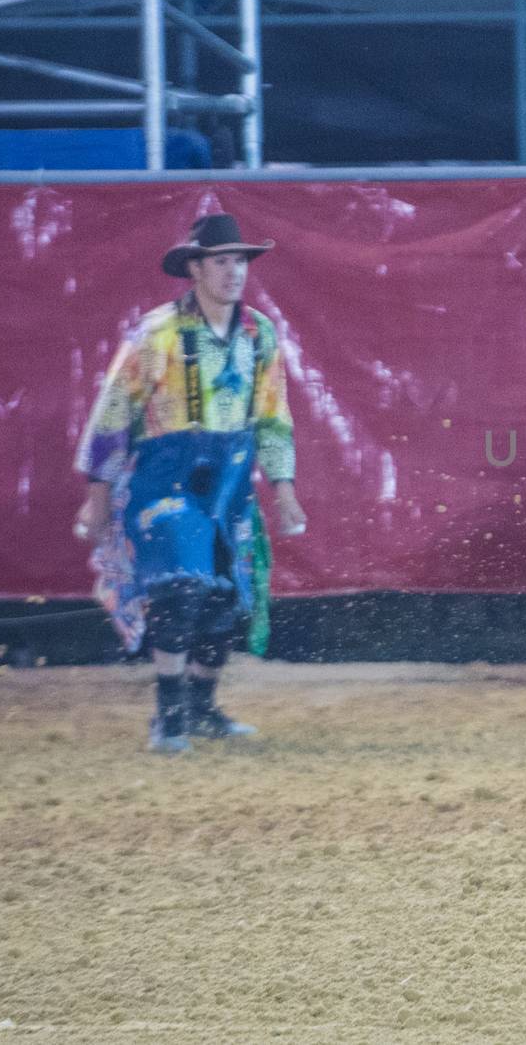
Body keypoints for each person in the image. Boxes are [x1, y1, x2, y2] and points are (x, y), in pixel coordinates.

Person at [74, 213, 305, 753]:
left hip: (228, 487)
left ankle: (201, 708)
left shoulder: (259, 334)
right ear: (196, 269)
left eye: (240, 261)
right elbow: (113, 415)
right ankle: (169, 716)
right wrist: (97, 497)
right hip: (164, 480)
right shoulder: (158, 333)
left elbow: (273, 418)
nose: (233, 272)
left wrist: (285, 489)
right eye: (221, 261)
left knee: (225, 601)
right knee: (182, 586)